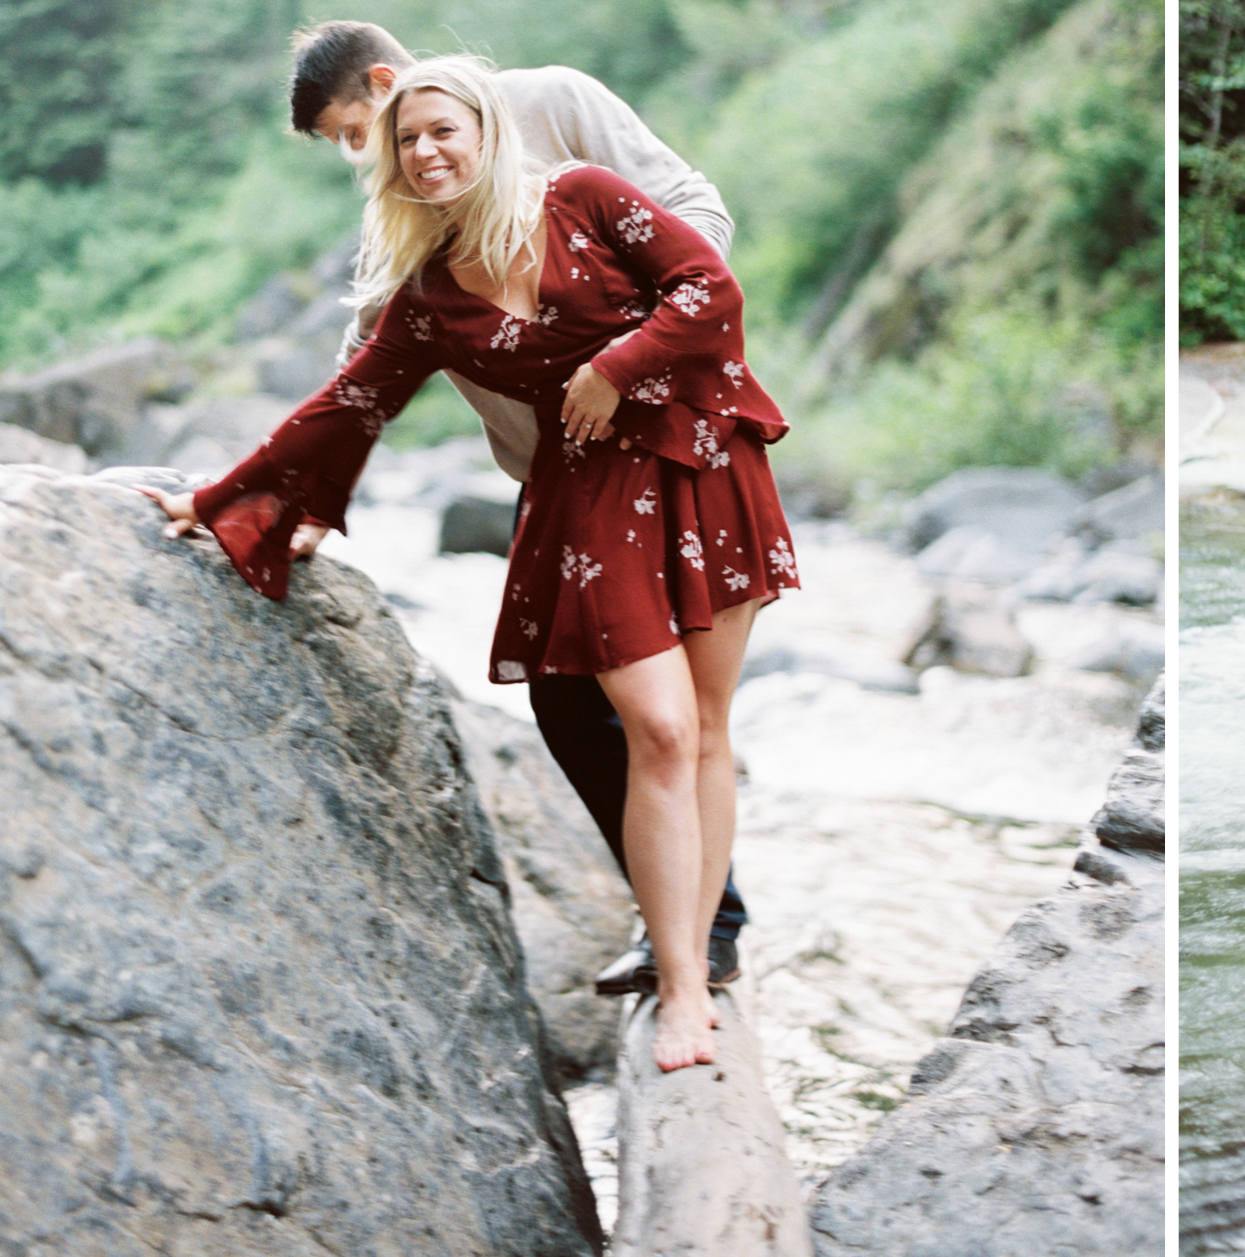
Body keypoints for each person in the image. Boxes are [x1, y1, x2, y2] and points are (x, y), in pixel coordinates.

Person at [144, 54, 799, 1070]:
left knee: (705, 729)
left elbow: (709, 287)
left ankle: (705, 959)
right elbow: (345, 406)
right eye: (406, 142)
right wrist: (227, 498)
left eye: (439, 131)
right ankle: (680, 992)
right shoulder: (430, 296)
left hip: (697, 458)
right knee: (660, 727)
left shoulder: (584, 195)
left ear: (486, 132)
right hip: (586, 498)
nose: (421, 150)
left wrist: (618, 364)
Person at [287, 21, 747, 996]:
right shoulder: (409, 203)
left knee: (665, 709)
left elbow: (694, 209)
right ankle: (691, 926)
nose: (365, 154)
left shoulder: (554, 104)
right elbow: (370, 356)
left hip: (659, 439)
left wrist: (635, 348)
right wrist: (305, 495)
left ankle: (706, 935)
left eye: (349, 129)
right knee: (571, 698)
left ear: (385, 78)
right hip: (557, 478)